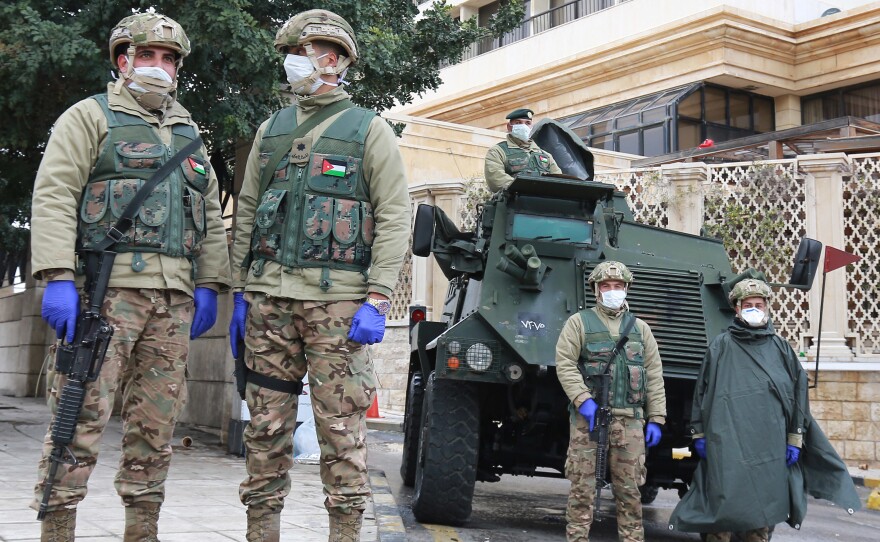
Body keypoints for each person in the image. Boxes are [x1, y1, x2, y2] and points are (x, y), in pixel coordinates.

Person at [29, 11, 231, 541]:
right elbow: (54, 195)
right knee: (78, 422)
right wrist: (57, 275)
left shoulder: (189, 132)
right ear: (123, 61)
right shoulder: (89, 118)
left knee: (156, 431)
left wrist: (210, 284)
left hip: (174, 302)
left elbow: (207, 214)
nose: (158, 67)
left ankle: (142, 534)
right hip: (106, 298)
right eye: (147, 56)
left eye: (168, 59)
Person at [228, 9, 410, 542]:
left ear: (335, 61)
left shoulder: (369, 129)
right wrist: (240, 288)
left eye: (309, 52)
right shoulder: (272, 129)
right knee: (264, 432)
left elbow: (395, 214)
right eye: (297, 52)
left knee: (342, 432)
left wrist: (378, 299)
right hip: (268, 304)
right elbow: (249, 206)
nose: (298, 63)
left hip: (340, 307)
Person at [669, 278, 860, 541]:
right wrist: (699, 434)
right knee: (719, 511)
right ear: (736, 308)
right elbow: (701, 394)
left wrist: (795, 438)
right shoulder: (720, 347)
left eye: (758, 304)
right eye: (748, 305)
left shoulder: (781, 349)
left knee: (761, 514)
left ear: (767, 306)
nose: (753, 309)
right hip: (726, 445)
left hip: (768, 448)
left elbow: (797, 396)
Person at [555, 261, 666, 542]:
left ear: (626, 289)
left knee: (629, 491)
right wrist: (583, 400)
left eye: (618, 286)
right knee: (583, 488)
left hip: (629, 421)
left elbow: (653, 375)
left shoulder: (640, 329)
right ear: (596, 289)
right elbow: (565, 364)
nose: (612, 291)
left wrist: (656, 418)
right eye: (606, 286)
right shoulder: (579, 323)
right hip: (588, 421)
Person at [484, 107, 562, 191]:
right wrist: (526, 189)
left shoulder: (546, 155)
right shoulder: (497, 151)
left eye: (528, 123)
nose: (524, 126)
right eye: (518, 123)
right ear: (509, 127)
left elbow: (559, 179)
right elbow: (496, 179)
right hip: (515, 200)